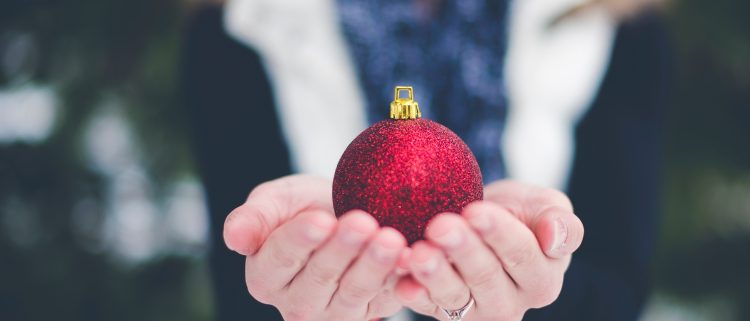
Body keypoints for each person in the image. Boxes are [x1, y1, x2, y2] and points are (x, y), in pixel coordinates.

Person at [183, 0, 668, 320]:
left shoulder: (617, 22)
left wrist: (540, 284)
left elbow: (617, 288)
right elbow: (241, 291)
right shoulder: (239, 26)